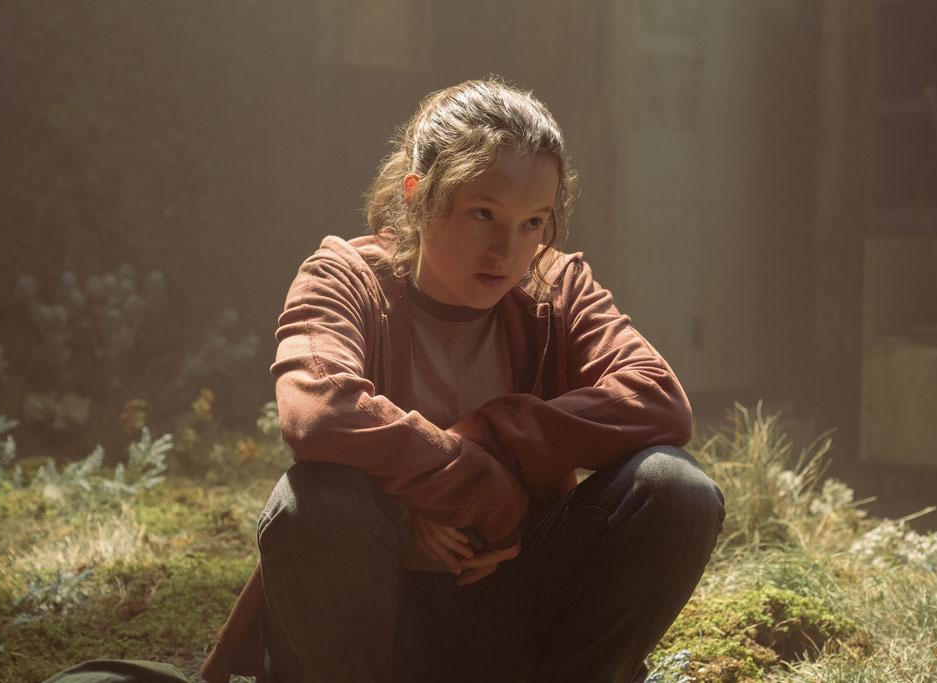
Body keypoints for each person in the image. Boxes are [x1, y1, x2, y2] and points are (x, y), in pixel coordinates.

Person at [200, 78, 724, 683]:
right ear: (418, 196)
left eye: (533, 223)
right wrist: (476, 490)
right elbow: (316, 412)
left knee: (674, 487)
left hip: (514, 615)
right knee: (314, 501)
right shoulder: (343, 277)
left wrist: (492, 439)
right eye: (483, 214)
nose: (507, 250)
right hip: (370, 622)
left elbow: (658, 399)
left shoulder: (554, 287)